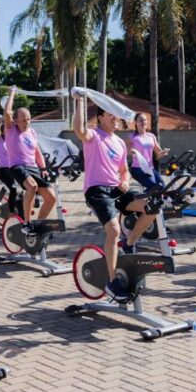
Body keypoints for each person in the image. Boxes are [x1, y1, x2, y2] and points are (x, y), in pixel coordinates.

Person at [72, 91, 159, 302]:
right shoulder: (93, 135)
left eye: (117, 116)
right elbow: (79, 129)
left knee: (153, 206)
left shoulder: (120, 143)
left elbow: (123, 171)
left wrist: (126, 180)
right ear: (100, 117)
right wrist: (80, 101)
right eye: (111, 115)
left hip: (118, 190)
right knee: (113, 229)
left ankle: (129, 243)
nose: (116, 118)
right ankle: (112, 281)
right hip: (97, 190)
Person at [3, 87, 56, 224]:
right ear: (16, 121)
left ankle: (39, 223)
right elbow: (7, 112)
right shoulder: (10, 129)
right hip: (17, 166)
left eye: (28, 119)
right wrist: (12, 94)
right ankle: (27, 223)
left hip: (33, 167)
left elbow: (37, 152)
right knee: (32, 187)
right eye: (23, 120)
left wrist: (43, 169)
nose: (27, 122)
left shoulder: (32, 132)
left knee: (51, 197)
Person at [126, 112, 168, 190]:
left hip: (150, 168)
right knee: (154, 187)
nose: (143, 122)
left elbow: (158, 153)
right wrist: (132, 151)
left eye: (145, 120)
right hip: (138, 169)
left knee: (162, 186)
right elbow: (124, 151)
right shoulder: (132, 137)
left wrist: (163, 152)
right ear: (136, 122)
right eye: (141, 120)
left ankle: (158, 201)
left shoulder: (151, 136)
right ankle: (139, 201)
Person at [0, 117, 20, 216]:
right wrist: (5, 116)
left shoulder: (13, 141)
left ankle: (21, 208)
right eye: (5, 130)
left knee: (25, 187)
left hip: (13, 169)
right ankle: (11, 212)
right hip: (3, 170)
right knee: (13, 189)